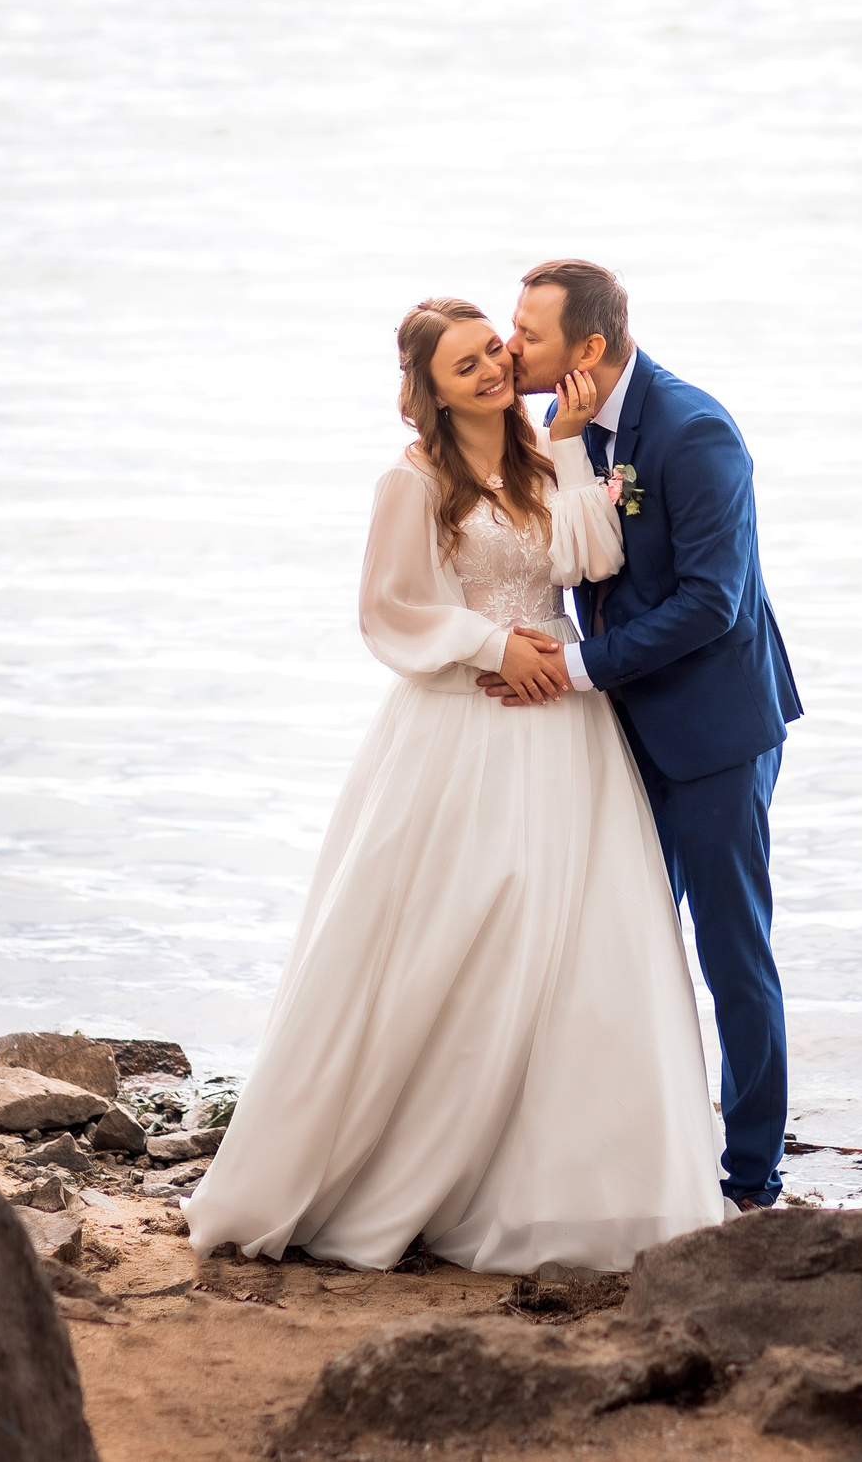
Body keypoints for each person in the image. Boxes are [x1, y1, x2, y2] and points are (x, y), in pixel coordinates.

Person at [180, 297, 725, 1272]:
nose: (490, 370)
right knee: (459, 926)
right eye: (465, 364)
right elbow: (389, 611)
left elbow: (585, 557)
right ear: (428, 389)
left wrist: (562, 449)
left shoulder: (537, 451)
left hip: (563, 719)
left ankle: (568, 1184)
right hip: (464, 720)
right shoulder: (412, 480)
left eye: (494, 353)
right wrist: (489, 646)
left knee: (579, 941)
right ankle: (395, 1162)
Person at [487, 259, 802, 1210]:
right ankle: (635, 1157)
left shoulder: (696, 432)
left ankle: (751, 1176)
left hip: (713, 734)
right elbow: (590, 551)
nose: (510, 349)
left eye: (527, 335)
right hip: (621, 734)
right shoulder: (566, 426)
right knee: (620, 945)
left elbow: (715, 601)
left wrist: (576, 669)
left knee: (731, 954)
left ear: (588, 348)